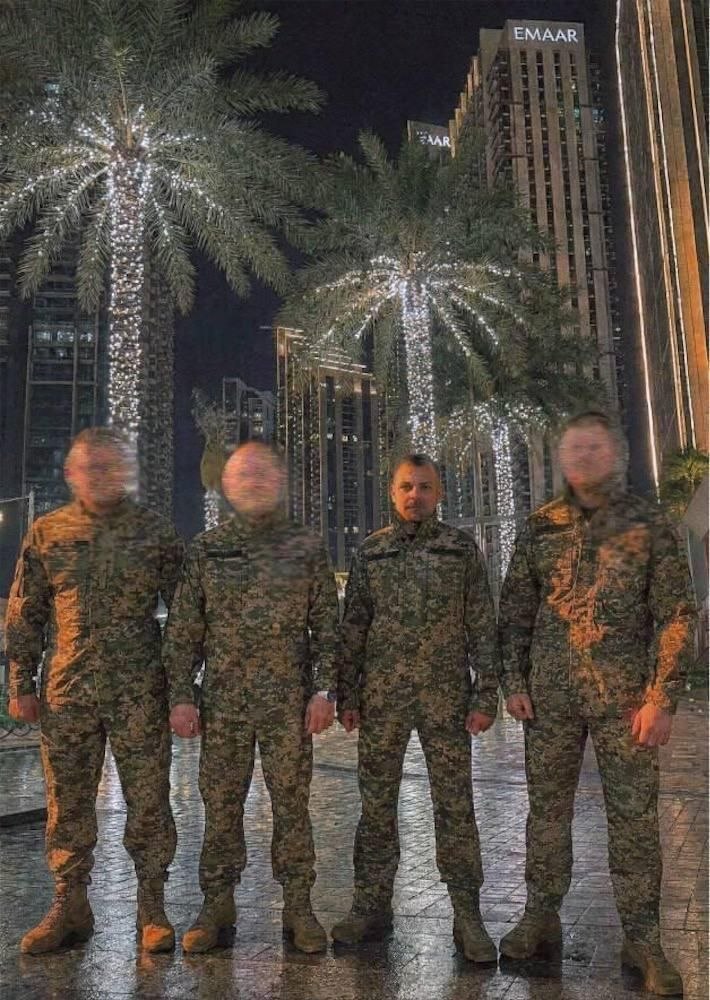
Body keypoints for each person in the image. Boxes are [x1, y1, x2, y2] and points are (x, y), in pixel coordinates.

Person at [497, 411, 695, 997]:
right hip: (551, 702)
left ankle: (644, 939)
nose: (584, 456)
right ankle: (540, 916)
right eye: (574, 448)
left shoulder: (648, 524)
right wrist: (514, 681)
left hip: (625, 702)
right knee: (546, 816)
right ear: (562, 458)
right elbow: (515, 612)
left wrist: (661, 696)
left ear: (616, 455)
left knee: (634, 822)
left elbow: (676, 615)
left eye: (595, 447)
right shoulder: (541, 527)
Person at [6, 427, 183, 955]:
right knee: (66, 803)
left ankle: (152, 906)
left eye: (112, 466)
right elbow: (25, 613)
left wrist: (181, 690)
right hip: (67, 691)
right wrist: (20, 684)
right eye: (92, 467)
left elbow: (186, 617)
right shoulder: (48, 533)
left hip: (139, 691)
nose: (102, 475)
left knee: (149, 800)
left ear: (127, 473)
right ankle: (69, 904)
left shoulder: (155, 533)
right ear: (72, 474)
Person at [163, 442, 339, 954]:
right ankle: (216, 903)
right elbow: (184, 631)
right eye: (244, 475)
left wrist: (324, 691)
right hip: (224, 705)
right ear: (228, 485)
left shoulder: (305, 547)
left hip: (289, 705)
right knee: (220, 806)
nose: (254, 482)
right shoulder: (208, 549)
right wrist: (181, 695)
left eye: (263, 473)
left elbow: (328, 630)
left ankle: (299, 906)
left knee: (292, 807)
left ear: (279, 482)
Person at [332, 454, 501, 963]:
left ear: (439, 493)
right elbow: (354, 626)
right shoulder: (372, 551)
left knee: (455, 807)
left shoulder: (459, 550)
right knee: (376, 808)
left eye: (425, 487)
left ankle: (467, 915)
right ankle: (369, 906)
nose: (415, 495)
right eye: (406, 486)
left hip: (445, 699)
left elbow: (482, 625)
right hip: (382, 700)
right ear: (392, 492)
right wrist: (348, 694)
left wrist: (485, 694)